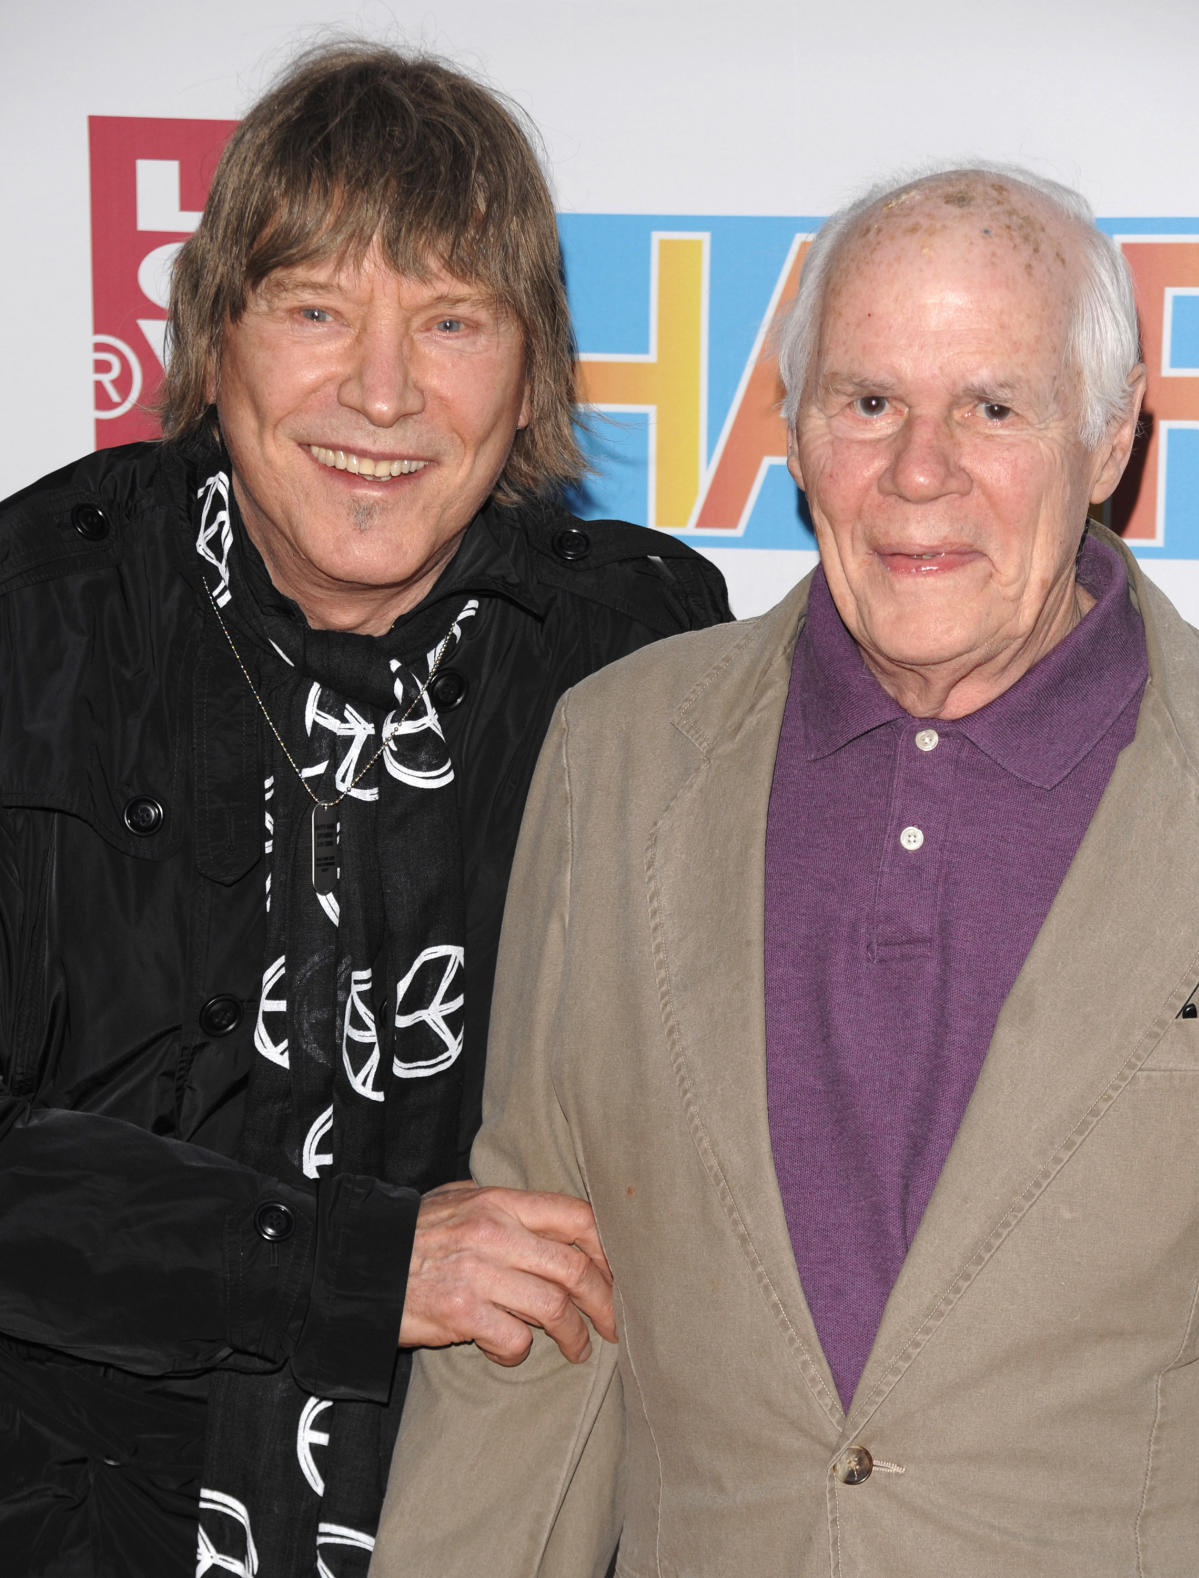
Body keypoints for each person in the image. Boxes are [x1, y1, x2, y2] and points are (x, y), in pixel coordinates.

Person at [373, 164, 1199, 1577]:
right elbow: (536, 1314)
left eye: (994, 407)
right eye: (867, 401)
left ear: (1106, 440)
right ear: (791, 433)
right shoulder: (620, 749)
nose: (918, 470)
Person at [0, 42, 729, 1578]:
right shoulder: (32, 619)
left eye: (451, 321)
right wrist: (356, 1259)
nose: (381, 392)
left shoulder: (647, 659)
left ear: (526, 373)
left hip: (493, 1511)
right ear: (214, 339)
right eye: (316, 308)